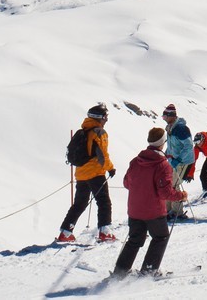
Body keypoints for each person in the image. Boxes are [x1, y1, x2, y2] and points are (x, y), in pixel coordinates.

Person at [111, 126, 187, 279]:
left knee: (134, 240)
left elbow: (127, 183)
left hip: (134, 209)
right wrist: (181, 195)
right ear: (163, 143)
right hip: (153, 211)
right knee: (160, 237)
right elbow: (164, 192)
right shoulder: (162, 164)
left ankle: (120, 272)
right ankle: (148, 271)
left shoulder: (136, 161)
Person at [57, 104, 117, 243]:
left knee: (79, 204)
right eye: (105, 117)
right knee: (104, 202)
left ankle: (65, 232)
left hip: (81, 174)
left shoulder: (82, 131)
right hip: (96, 173)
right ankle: (105, 232)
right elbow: (103, 155)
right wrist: (111, 168)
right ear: (99, 118)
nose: (106, 120)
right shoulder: (99, 132)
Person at [161, 104, 194, 222]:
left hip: (182, 161)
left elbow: (189, 145)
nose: (164, 119)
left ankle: (177, 213)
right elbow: (172, 145)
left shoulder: (180, 129)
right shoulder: (170, 127)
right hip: (173, 160)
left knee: (174, 185)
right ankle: (168, 210)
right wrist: (165, 154)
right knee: (169, 184)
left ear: (171, 116)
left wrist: (179, 159)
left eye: (165, 116)